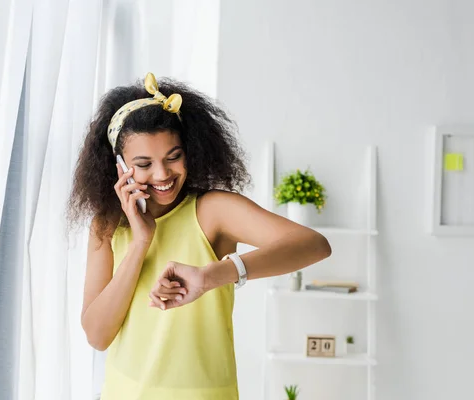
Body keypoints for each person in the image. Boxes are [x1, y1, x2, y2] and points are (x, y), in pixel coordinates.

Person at [67, 72, 332, 400]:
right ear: (120, 167)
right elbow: (97, 335)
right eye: (144, 163)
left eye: (173, 156)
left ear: (189, 150)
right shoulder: (107, 225)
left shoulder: (213, 211)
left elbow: (314, 245)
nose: (163, 174)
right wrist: (140, 242)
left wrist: (214, 274)